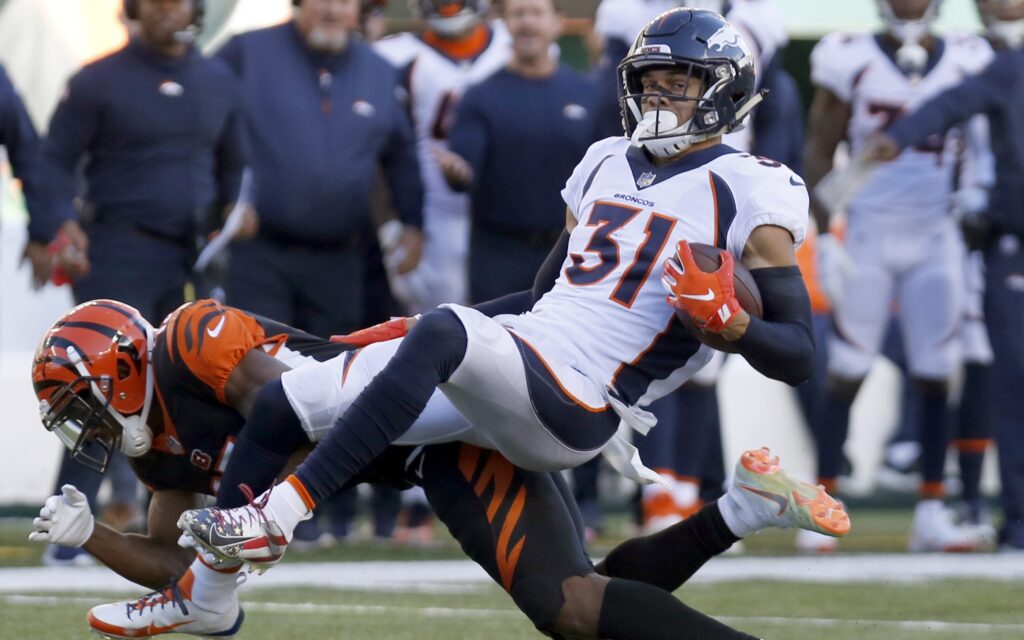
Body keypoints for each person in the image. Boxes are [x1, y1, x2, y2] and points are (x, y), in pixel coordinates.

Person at [181, 11, 833, 588]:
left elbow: (800, 353)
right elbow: (543, 296)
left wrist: (739, 326)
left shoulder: (754, 185)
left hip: (585, 396)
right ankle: (204, 592)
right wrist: (408, 330)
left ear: (723, 90)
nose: (658, 96)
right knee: (291, 399)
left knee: (444, 332)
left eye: (679, 82)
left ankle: (278, 516)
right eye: (649, 81)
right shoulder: (606, 159)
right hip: (527, 362)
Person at [29, 299, 848, 640]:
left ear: (121, 373)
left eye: (80, 405)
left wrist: (256, 522)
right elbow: (178, 561)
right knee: (576, 604)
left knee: (575, 608)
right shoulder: (164, 452)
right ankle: (738, 510)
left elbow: (295, 421)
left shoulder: (192, 342)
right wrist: (90, 535)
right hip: (426, 452)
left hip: (434, 411)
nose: (81, 427)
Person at [29, 0, 248, 566]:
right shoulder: (97, 81)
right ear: (134, 10)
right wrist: (60, 224)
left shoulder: (219, 79)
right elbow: (53, 163)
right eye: (156, 2)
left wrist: (234, 211)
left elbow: (232, 164)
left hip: (192, 255)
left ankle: (184, 521)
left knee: (186, 386)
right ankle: (71, 515)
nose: (168, 11)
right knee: (100, 384)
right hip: (118, 250)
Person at [801, 0, 996, 553]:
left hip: (937, 230)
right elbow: (820, 145)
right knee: (848, 367)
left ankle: (932, 509)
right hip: (868, 229)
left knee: (938, 371)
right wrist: (824, 231)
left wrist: (974, 199)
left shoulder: (966, 55)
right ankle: (822, 503)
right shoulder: (850, 56)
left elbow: (983, 143)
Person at [861, 0, 1024, 551]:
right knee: (1014, 380)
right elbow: (945, 106)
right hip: (1013, 244)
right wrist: (897, 138)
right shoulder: (1009, 67)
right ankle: (1020, 519)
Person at [216, 0, 424, 338]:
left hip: (340, 259)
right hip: (261, 254)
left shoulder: (380, 72)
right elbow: (204, 127)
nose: (333, 11)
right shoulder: (246, 52)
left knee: (330, 370)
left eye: (344, 2)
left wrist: (413, 224)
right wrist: (224, 199)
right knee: (257, 363)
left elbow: (402, 154)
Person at [436, 0, 598, 303]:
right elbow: (463, 169)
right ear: (504, 22)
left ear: (558, 21)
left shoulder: (588, 93)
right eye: (518, 14)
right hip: (498, 255)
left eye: (536, 13)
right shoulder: (479, 96)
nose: (527, 23)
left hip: (569, 251)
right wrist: (457, 173)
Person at [374, 0, 511, 313]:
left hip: (507, 215)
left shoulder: (510, 42)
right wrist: (398, 222)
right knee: (440, 322)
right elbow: (383, 150)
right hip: (434, 214)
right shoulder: (396, 56)